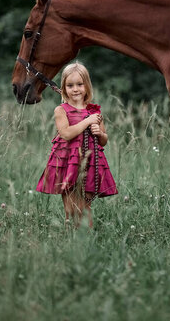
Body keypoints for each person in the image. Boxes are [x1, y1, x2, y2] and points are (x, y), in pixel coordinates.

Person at [36, 62, 117, 226]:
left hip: (89, 162)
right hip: (68, 161)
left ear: (87, 85)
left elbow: (104, 140)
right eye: (70, 85)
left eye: (79, 84)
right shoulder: (61, 110)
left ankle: (84, 239)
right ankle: (72, 236)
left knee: (84, 206)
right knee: (71, 207)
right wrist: (87, 122)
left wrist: (99, 133)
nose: (75, 89)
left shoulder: (94, 111)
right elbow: (66, 133)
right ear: (64, 88)